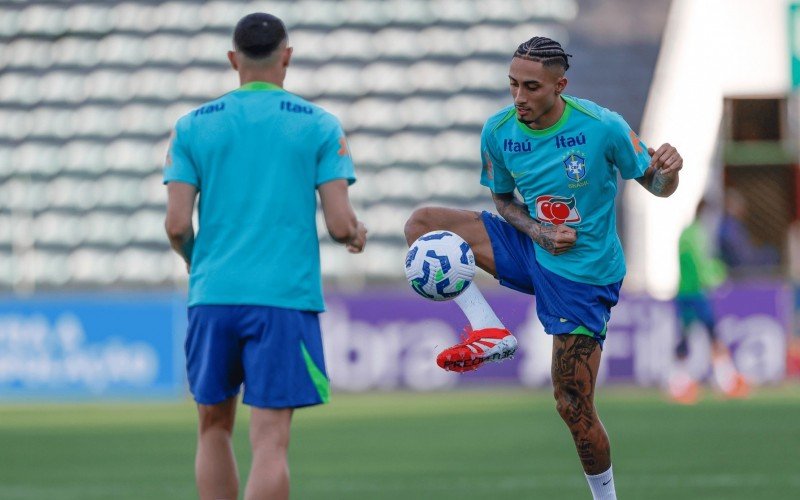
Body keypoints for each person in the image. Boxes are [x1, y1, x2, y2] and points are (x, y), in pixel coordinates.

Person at [404, 37, 682, 500]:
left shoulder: (602, 126)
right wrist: (537, 231)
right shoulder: (499, 131)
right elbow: (502, 199)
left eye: (531, 87)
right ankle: (487, 328)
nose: (519, 98)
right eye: (512, 84)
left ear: (560, 85)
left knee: (572, 404)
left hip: (584, 272)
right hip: (534, 244)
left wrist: (670, 171)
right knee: (422, 225)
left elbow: (657, 184)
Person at [163, 13, 367, 500]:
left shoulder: (192, 126)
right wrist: (356, 233)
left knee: (212, 427)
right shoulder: (318, 124)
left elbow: (175, 225)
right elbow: (340, 224)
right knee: (270, 442)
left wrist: (196, 259)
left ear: (233, 59)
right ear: (287, 57)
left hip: (213, 296)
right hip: (283, 299)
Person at [667, 199, 749, 404]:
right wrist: (717, 275)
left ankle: (679, 383)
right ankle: (725, 381)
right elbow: (701, 265)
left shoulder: (686, 233)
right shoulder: (698, 235)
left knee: (685, 338)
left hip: (683, 292)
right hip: (696, 293)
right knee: (713, 336)